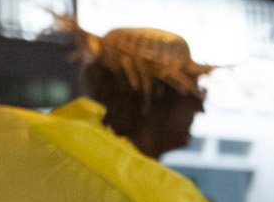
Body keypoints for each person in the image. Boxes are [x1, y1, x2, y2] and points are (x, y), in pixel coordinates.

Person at [64, 22, 212, 160]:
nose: (200, 109)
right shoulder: (148, 184)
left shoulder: (70, 156)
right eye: (192, 95)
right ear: (153, 98)